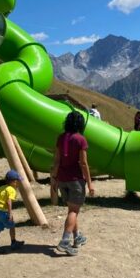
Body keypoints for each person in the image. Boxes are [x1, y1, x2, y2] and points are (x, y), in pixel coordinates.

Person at [51, 110, 95, 256]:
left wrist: (54, 179)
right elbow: (83, 163)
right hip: (75, 180)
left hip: (62, 179)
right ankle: (64, 241)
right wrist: (90, 183)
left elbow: (57, 160)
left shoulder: (61, 138)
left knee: (72, 210)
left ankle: (77, 237)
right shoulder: (80, 139)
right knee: (73, 211)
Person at [0, 170, 25, 253]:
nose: (18, 183)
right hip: (3, 211)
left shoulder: (2, 187)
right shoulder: (12, 190)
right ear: (14, 182)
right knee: (12, 226)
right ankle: (13, 243)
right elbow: (9, 202)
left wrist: (0, 199)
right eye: (18, 181)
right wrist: (10, 213)